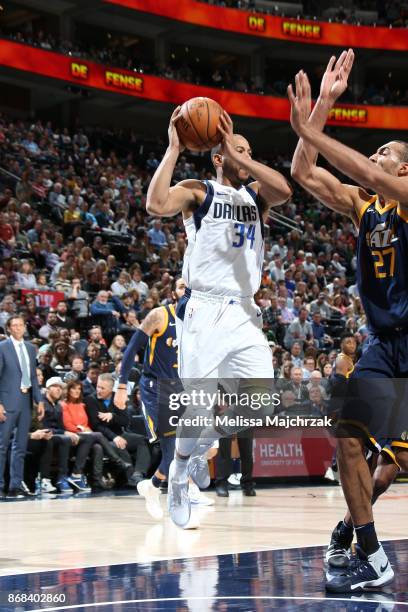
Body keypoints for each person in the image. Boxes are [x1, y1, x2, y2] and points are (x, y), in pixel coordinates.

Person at [289, 48, 408, 590]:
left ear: (402, 167)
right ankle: (371, 551)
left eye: (383, 150)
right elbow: (302, 171)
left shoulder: (404, 195)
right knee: (347, 433)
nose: (373, 155)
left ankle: (347, 529)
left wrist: (313, 129)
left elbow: (357, 168)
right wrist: (322, 109)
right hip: (385, 344)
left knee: (394, 465)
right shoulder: (366, 207)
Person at [146, 106, 291, 527]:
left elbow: (284, 189)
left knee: (262, 405)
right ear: (216, 157)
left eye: (247, 149)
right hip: (205, 308)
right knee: (199, 406)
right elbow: (156, 204)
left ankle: (196, 451)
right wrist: (173, 147)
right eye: (232, 148)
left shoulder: (256, 197)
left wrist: (240, 154)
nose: (241, 154)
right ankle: (177, 471)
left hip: (244, 310)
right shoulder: (200, 190)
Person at [115, 277, 213, 524]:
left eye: (190, 287)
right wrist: (122, 385)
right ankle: (180, 509)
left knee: (188, 450)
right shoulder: (159, 315)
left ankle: (154, 486)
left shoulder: (198, 324)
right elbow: (131, 350)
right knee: (172, 450)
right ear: (173, 293)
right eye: (182, 286)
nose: (186, 290)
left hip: (183, 390)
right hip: (155, 389)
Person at [0, 315, 44, 498]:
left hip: (26, 401)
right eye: (14, 325)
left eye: (21, 325)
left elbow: (33, 376)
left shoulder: (30, 348)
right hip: (7, 401)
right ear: (9, 328)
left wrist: (39, 399)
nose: (18, 328)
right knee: (1, 446)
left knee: (20, 446)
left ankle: (15, 485)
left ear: (25, 327)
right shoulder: (2, 347)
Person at [86, 374, 150, 486]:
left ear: (111, 389)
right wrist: (114, 437)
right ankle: (131, 480)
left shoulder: (118, 398)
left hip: (120, 434)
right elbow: (96, 426)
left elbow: (125, 421)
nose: (98, 390)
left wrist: (113, 416)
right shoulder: (91, 400)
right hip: (103, 439)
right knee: (120, 446)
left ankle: (138, 474)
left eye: (102, 388)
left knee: (142, 440)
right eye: (98, 387)